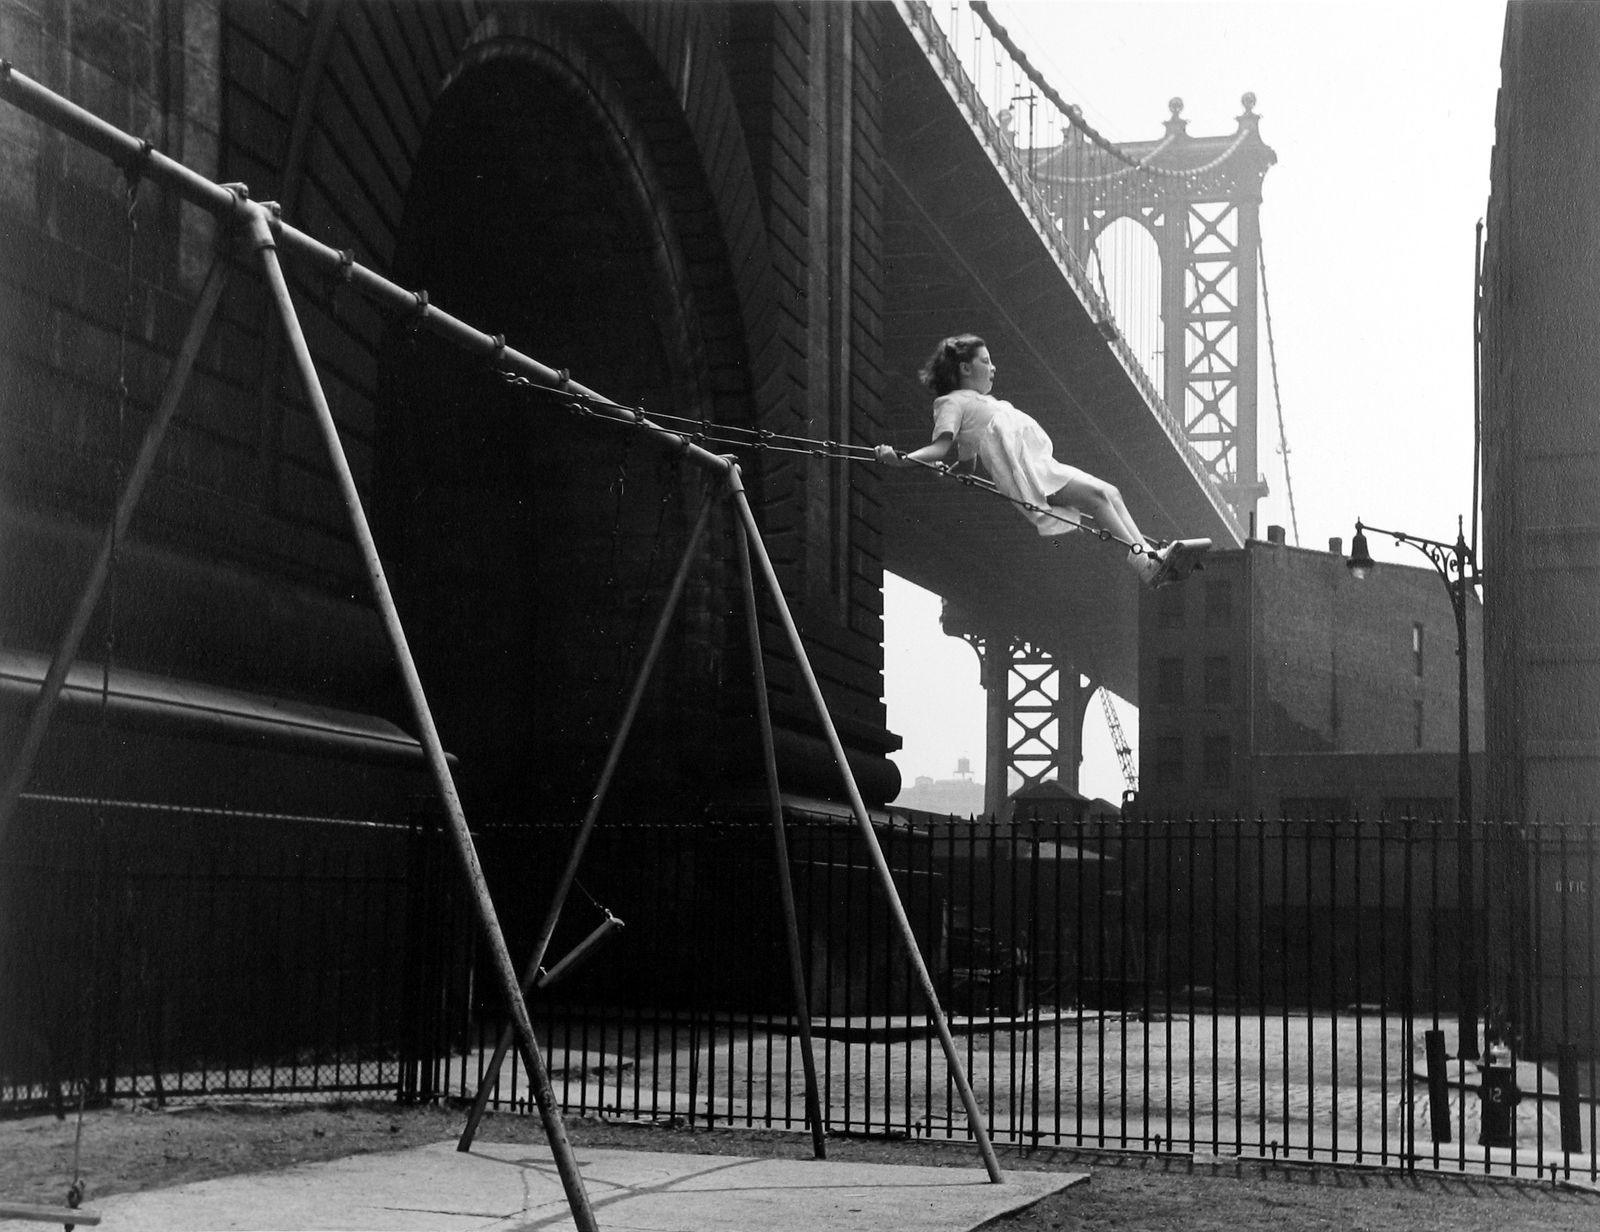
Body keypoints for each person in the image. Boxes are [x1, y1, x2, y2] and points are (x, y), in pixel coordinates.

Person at [875, 333, 1203, 586]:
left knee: (1110, 492)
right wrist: (899, 460)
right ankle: (1145, 565)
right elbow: (940, 446)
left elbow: (967, 460)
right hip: (1028, 472)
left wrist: (954, 471)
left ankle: (1149, 556)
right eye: (986, 361)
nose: (993, 367)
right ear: (965, 368)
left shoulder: (980, 402)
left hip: (1040, 462)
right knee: (1099, 498)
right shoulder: (951, 403)